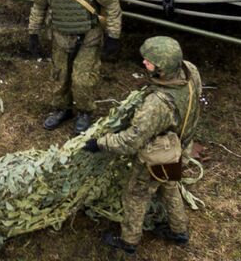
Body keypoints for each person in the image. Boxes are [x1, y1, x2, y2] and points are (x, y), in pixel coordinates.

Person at [82, 36, 202, 256]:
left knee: (136, 194)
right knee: (170, 184)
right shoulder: (191, 72)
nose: (144, 64)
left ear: (164, 68)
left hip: (160, 155)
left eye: (150, 62)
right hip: (181, 146)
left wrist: (100, 143)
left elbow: (130, 141)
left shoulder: (156, 104)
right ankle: (179, 231)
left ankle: (128, 240)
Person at [26, 0, 122, 134]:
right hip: (60, 36)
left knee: (81, 79)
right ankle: (62, 109)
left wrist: (113, 36)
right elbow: (38, 6)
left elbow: (112, 6)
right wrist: (33, 33)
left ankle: (85, 112)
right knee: (60, 76)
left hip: (88, 37)